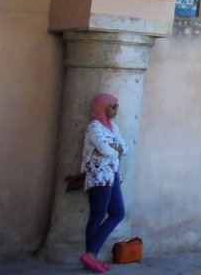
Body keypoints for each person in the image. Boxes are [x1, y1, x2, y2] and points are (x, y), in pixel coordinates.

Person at [80, 93, 127, 273]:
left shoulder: (113, 127)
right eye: (112, 106)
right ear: (102, 107)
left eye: (116, 106)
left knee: (118, 213)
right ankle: (90, 257)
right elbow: (106, 150)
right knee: (97, 216)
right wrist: (116, 149)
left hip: (112, 175)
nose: (116, 110)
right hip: (98, 177)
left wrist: (116, 148)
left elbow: (126, 147)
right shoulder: (94, 127)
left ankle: (90, 255)